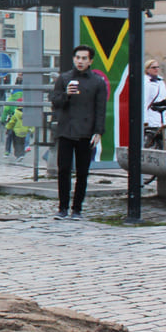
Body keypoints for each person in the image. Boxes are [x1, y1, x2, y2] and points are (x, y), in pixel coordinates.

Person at [50, 44, 106, 220]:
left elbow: (101, 108)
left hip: (86, 132)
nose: (80, 61)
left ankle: (77, 209)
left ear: (90, 61)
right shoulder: (64, 78)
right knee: (63, 170)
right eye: (78, 58)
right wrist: (66, 94)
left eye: (84, 58)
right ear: (74, 59)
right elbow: (55, 101)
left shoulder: (98, 81)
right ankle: (63, 207)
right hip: (66, 130)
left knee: (82, 172)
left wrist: (98, 131)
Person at [142, 59, 166, 148]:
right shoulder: (146, 82)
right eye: (153, 67)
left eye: (157, 67)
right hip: (151, 116)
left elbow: (165, 98)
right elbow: (144, 102)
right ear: (147, 69)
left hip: (161, 117)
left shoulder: (160, 81)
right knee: (150, 141)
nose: (156, 69)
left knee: (161, 141)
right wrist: (145, 120)